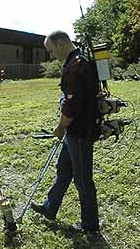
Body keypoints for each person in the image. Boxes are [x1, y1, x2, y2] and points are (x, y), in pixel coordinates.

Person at [31, 31, 101, 234]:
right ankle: (50, 207)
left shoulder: (75, 66)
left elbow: (71, 107)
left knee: (82, 179)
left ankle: (90, 225)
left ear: (60, 44)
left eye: (51, 50)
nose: (52, 55)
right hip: (75, 132)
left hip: (78, 132)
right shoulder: (80, 60)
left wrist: (60, 127)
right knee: (63, 169)